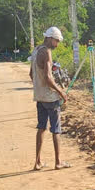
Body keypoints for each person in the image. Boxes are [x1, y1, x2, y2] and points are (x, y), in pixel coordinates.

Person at [29, 27, 69, 171]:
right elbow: (48, 78)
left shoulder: (35, 51)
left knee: (41, 128)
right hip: (50, 99)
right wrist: (61, 92)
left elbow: (31, 74)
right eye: (56, 41)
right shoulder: (46, 52)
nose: (57, 44)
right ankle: (58, 162)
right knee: (56, 129)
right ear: (50, 38)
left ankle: (37, 162)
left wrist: (39, 87)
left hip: (39, 97)